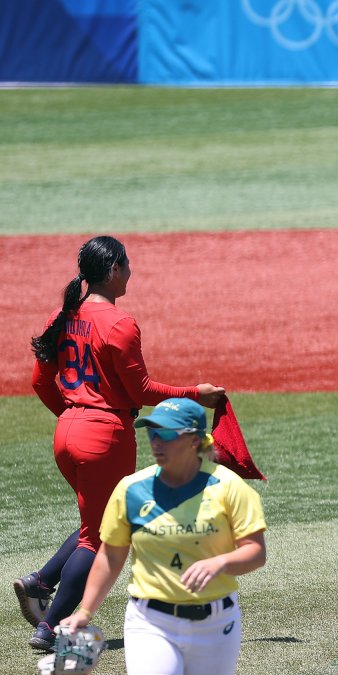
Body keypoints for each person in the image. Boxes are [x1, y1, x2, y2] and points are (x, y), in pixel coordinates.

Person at [19, 236, 225, 652]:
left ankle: (40, 581)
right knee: (100, 538)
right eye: (127, 264)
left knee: (95, 521)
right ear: (113, 270)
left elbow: (41, 381)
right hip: (105, 436)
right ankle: (50, 626)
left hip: (68, 433)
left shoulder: (62, 315)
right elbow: (142, 390)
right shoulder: (120, 323)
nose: (131, 271)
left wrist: (74, 415)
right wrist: (194, 394)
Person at [58, 398, 266, 675]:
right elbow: (110, 555)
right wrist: (85, 611)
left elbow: (255, 552)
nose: (156, 441)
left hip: (216, 626)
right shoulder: (131, 489)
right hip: (150, 622)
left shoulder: (229, 487)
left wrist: (220, 563)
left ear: (194, 440)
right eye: (152, 433)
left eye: (167, 434)